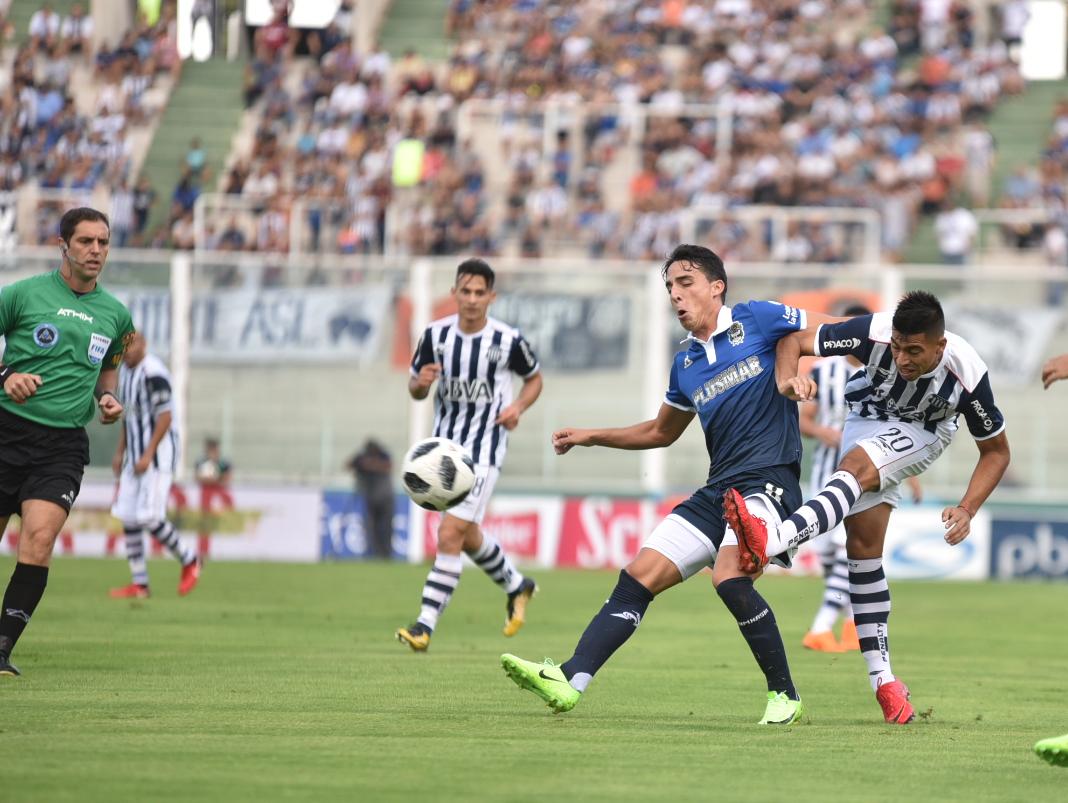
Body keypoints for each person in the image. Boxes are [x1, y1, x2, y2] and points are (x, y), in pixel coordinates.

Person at [501, 244, 836, 725]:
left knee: (730, 578)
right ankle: (571, 678)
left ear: (716, 287)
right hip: (718, 489)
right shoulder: (686, 364)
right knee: (637, 578)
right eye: (669, 288)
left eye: (685, 283)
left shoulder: (759, 319)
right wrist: (593, 436)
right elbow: (661, 432)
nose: (676, 296)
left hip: (768, 482)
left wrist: (796, 375)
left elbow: (827, 330)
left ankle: (785, 695)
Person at [724, 291, 1011, 724]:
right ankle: (885, 683)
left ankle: (775, 538)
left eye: (914, 350)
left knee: (855, 467)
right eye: (897, 347)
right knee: (862, 549)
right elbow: (793, 341)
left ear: (940, 346)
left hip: (924, 431)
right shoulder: (870, 333)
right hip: (865, 414)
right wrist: (788, 379)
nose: (902, 358)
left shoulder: (967, 372)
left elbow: (996, 452)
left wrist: (968, 508)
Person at [0, 207, 134, 677]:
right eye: (86, 242)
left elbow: (110, 364)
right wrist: (8, 374)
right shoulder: (22, 294)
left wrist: (109, 396)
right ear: (64, 246)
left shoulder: (116, 314)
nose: (96, 251)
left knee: (39, 540)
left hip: (62, 446)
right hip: (6, 431)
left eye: (103, 242)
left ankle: (0, 651)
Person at [396, 258, 543, 651]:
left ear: (491, 297)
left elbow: (534, 379)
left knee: (449, 534)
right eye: (467, 291)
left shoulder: (507, 340)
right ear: (455, 293)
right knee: (466, 534)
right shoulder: (434, 336)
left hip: (483, 450)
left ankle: (425, 624)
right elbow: (415, 387)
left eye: (481, 293)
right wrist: (420, 384)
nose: (473, 299)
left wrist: (518, 408)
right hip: (442, 450)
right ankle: (517, 585)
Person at [798, 304, 922, 653]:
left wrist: (909, 477)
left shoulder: (887, 369)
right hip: (826, 472)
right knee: (831, 557)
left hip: (870, 475)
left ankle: (821, 626)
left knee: (844, 548)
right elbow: (804, 420)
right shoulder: (825, 371)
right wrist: (824, 433)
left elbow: (902, 430)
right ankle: (854, 624)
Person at [108, 333, 201, 600]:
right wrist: (120, 452)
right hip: (134, 457)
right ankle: (140, 584)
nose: (127, 351)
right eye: (124, 346)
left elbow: (165, 416)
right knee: (127, 515)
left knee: (150, 517)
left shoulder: (154, 373)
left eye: (132, 345)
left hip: (157, 457)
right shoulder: (125, 372)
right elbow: (129, 416)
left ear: (144, 344)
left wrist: (148, 454)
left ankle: (191, 559)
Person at [348, 439, 394, 559]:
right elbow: (348, 465)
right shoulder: (362, 457)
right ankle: (374, 553)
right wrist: (361, 463)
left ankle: (386, 554)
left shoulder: (384, 455)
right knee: (371, 528)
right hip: (370, 498)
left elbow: (388, 466)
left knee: (386, 528)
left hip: (385, 498)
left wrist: (369, 465)